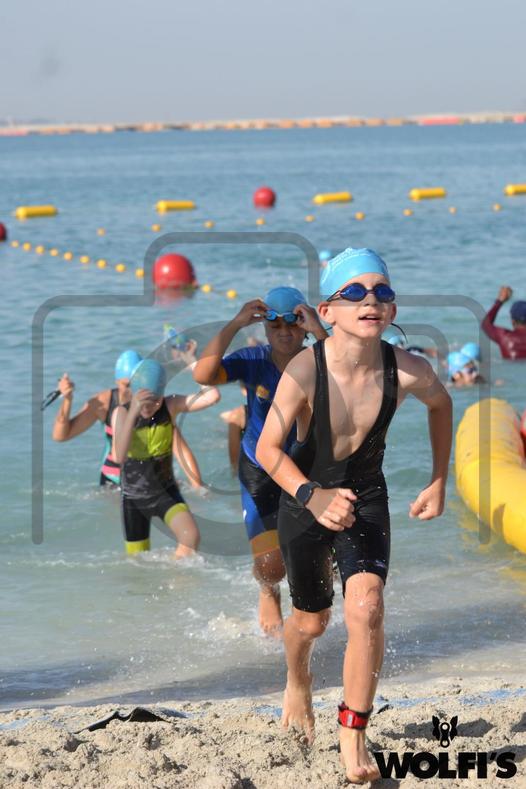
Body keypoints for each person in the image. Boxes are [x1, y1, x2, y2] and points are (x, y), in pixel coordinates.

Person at [256, 248, 452, 783]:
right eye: (356, 292)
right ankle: (298, 680)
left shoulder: (407, 370)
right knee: (311, 622)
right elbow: (268, 450)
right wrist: (312, 495)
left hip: (365, 496)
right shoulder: (305, 369)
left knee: (367, 607)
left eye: (382, 292)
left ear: (392, 309)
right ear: (327, 311)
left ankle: (353, 729)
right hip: (304, 499)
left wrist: (438, 479)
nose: (371, 300)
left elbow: (442, 405)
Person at [193, 286, 328, 635]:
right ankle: (268, 590)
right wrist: (235, 324)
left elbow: (348, 379)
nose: (284, 333)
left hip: (305, 466)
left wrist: (320, 331)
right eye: (274, 326)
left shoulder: (319, 359)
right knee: (271, 567)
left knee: (322, 561)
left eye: (292, 325)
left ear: (303, 326)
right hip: (260, 469)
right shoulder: (253, 361)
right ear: (265, 329)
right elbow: (203, 375)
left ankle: (306, 612)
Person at [52, 351, 205, 490]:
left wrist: (199, 489)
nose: (133, 391)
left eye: (137, 384)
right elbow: (61, 436)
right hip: (115, 484)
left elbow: (180, 450)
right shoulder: (104, 403)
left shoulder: (153, 406)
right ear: (117, 382)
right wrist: (67, 400)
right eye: (127, 385)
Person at [113, 358, 220, 555]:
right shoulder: (121, 413)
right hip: (134, 500)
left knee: (191, 538)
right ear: (134, 394)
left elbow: (212, 396)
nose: (149, 407)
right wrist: (133, 412)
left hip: (166, 494)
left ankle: (175, 572)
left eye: (155, 400)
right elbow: (119, 456)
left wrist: (193, 364)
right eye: (144, 401)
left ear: (163, 394)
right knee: (137, 561)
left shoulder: (170, 405)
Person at [482, 286, 526, 359]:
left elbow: (485, 325)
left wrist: (499, 301)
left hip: (510, 366)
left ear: (513, 321)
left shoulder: (504, 337)